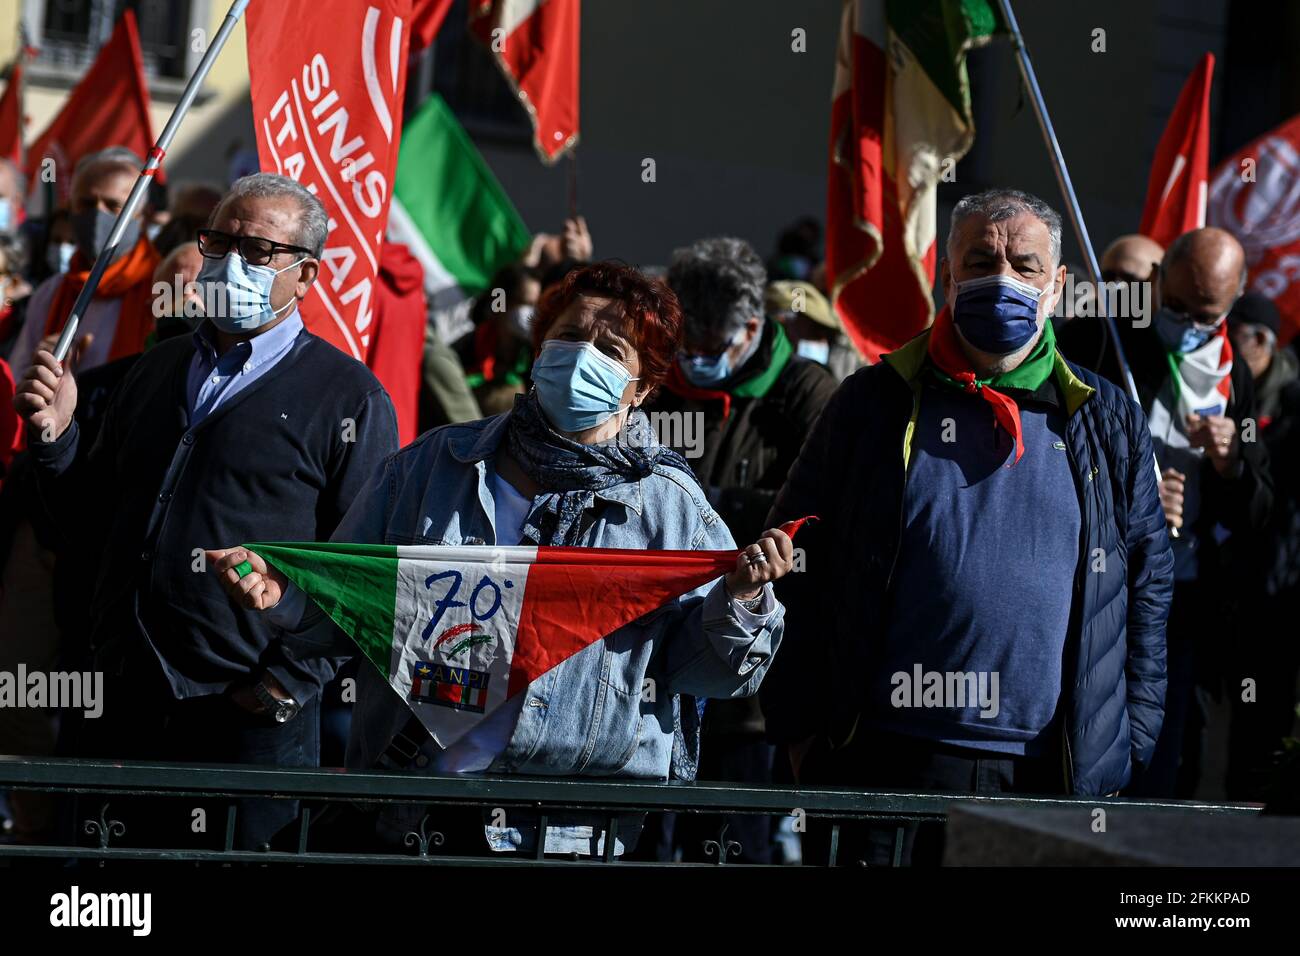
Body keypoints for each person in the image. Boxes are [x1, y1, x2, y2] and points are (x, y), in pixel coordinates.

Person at [209, 262, 793, 859]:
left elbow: (709, 675)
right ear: (539, 350)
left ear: (641, 388)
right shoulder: (434, 466)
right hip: (417, 815)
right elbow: (357, 610)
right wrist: (288, 599)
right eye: (568, 337)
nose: (581, 356)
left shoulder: (669, 508)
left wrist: (741, 602)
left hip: (572, 835)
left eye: (611, 349)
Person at [763, 188, 1175, 865]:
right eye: (981, 262)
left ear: (1059, 285)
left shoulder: (1108, 419)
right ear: (947, 276)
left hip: (1049, 773)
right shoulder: (872, 402)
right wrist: (805, 731)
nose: (1003, 279)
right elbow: (793, 560)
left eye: (1026, 264)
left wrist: (1125, 739)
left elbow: (1147, 589)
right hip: (886, 765)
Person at [11, 173, 399, 850]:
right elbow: (83, 525)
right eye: (219, 240)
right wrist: (57, 439)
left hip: (246, 720)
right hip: (121, 702)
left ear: (305, 276)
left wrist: (287, 682)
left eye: (257, 250)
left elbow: (367, 570)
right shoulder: (155, 371)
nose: (229, 262)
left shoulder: (349, 399)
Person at [1059, 227, 1272, 797]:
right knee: (1080, 739)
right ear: (1156, 281)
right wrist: (1141, 502)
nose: (1189, 325)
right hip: (1097, 584)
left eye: (1208, 315)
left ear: (1231, 304)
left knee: (1159, 752)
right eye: (1176, 307)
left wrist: (1231, 465)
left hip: (1182, 595)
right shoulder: (1103, 341)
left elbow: (1259, 509)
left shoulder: (1236, 377)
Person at [646, 237, 835, 863]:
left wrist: (704, 508)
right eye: (684, 348)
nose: (692, 363)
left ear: (752, 327)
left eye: (708, 350)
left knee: (727, 852)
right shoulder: (651, 380)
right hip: (646, 667)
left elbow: (820, 509)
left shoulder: (807, 393)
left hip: (747, 692)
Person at [1222, 292, 1300, 798]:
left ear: (1263, 341)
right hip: (1237, 579)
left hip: (1281, 580)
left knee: (1270, 715)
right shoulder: (1225, 386)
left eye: (1240, 334)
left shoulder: (1293, 401)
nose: (1229, 343)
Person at [9, 148, 161, 373]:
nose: (97, 216)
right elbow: (15, 379)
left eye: (113, 206)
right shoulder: (51, 292)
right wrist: (39, 366)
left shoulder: (165, 289)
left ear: (144, 216)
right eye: (87, 204)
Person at [765, 279, 863, 382]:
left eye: (821, 330)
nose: (822, 340)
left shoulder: (851, 361)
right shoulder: (765, 369)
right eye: (812, 330)